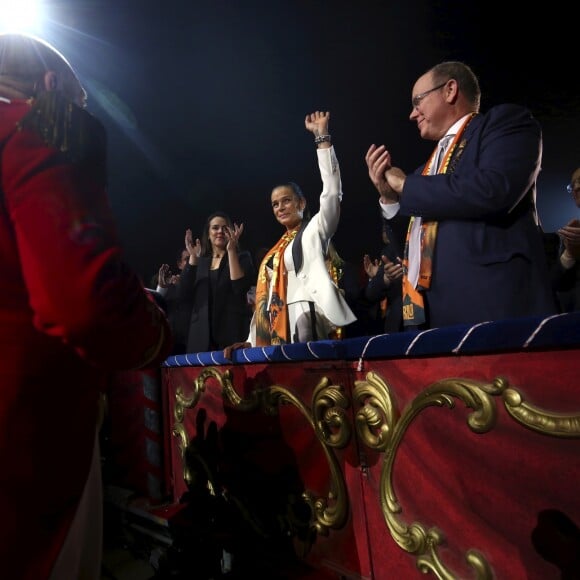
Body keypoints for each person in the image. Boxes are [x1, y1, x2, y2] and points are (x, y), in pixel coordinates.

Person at [0, 33, 173, 580]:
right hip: (25, 446)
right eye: (78, 102)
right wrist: (152, 331)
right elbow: (83, 304)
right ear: (50, 86)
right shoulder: (40, 126)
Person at [365, 60, 557, 329]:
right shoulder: (424, 171)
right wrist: (390, 198)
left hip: (493, 305)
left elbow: (494, 190)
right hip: (431, 316)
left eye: (418, 101)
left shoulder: (504, 124)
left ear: (450, 90)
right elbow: (408, 247)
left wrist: (407, 186)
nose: (412, 114)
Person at [224, 111, 356, 357]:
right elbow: (267, 297)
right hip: (277, 330)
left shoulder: (314, 231)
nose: (280, 207)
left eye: (286, 201)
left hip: (307, 318)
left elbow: (331, 193)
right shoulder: (276, 250)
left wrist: (323, 140)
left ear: (302, 203)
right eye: (275, 204)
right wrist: (251, 339)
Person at [178, 212, 256, 353]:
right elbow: (183, 293)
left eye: (225, 228)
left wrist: (231, 250)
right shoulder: (200, 263)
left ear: (231, 232)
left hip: (231, 337)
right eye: (215, 228)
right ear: (208, 234)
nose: (220, 231)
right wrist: (193, 258)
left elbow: (239, 288)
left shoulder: (242, 257)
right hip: (200, 338)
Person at [551, 167, 580, 312]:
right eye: (573, 184)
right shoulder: (571, 234)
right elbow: (557, 284)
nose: (576, 187)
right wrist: (569, 255)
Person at [155, 248, 192, 354]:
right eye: (187, 259)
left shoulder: (203, 284)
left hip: (194, 345)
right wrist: (162, 287)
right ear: (180, 264)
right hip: (170, 345)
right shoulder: (168, 286)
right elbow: (156, 308)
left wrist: (182, 285)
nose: (191, 261)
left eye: (194, 257)